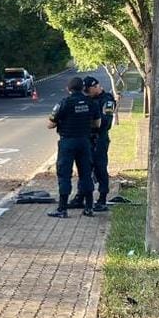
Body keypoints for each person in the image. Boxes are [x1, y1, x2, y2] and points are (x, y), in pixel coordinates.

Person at [47, 77, 101, 218]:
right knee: (85, 174)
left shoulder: (64, 103)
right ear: (83, 88)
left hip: (67, 143)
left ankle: (63, 209)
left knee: (64, 174)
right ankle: (89, 208)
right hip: (84, 142)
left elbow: (50, 124)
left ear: (68, 88)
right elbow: (97, 124)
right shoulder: (91, 103)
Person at [68, 76, 117, 211]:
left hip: (99, 139)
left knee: (100, 167)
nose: (86, 94)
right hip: (86, 139)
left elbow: (105, 123)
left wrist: (89, 122)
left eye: (87, 91)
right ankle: (80, 196)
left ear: (95, 87)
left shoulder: (107, 100)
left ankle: (102, 198)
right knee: (84, 169)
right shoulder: (87, 100)